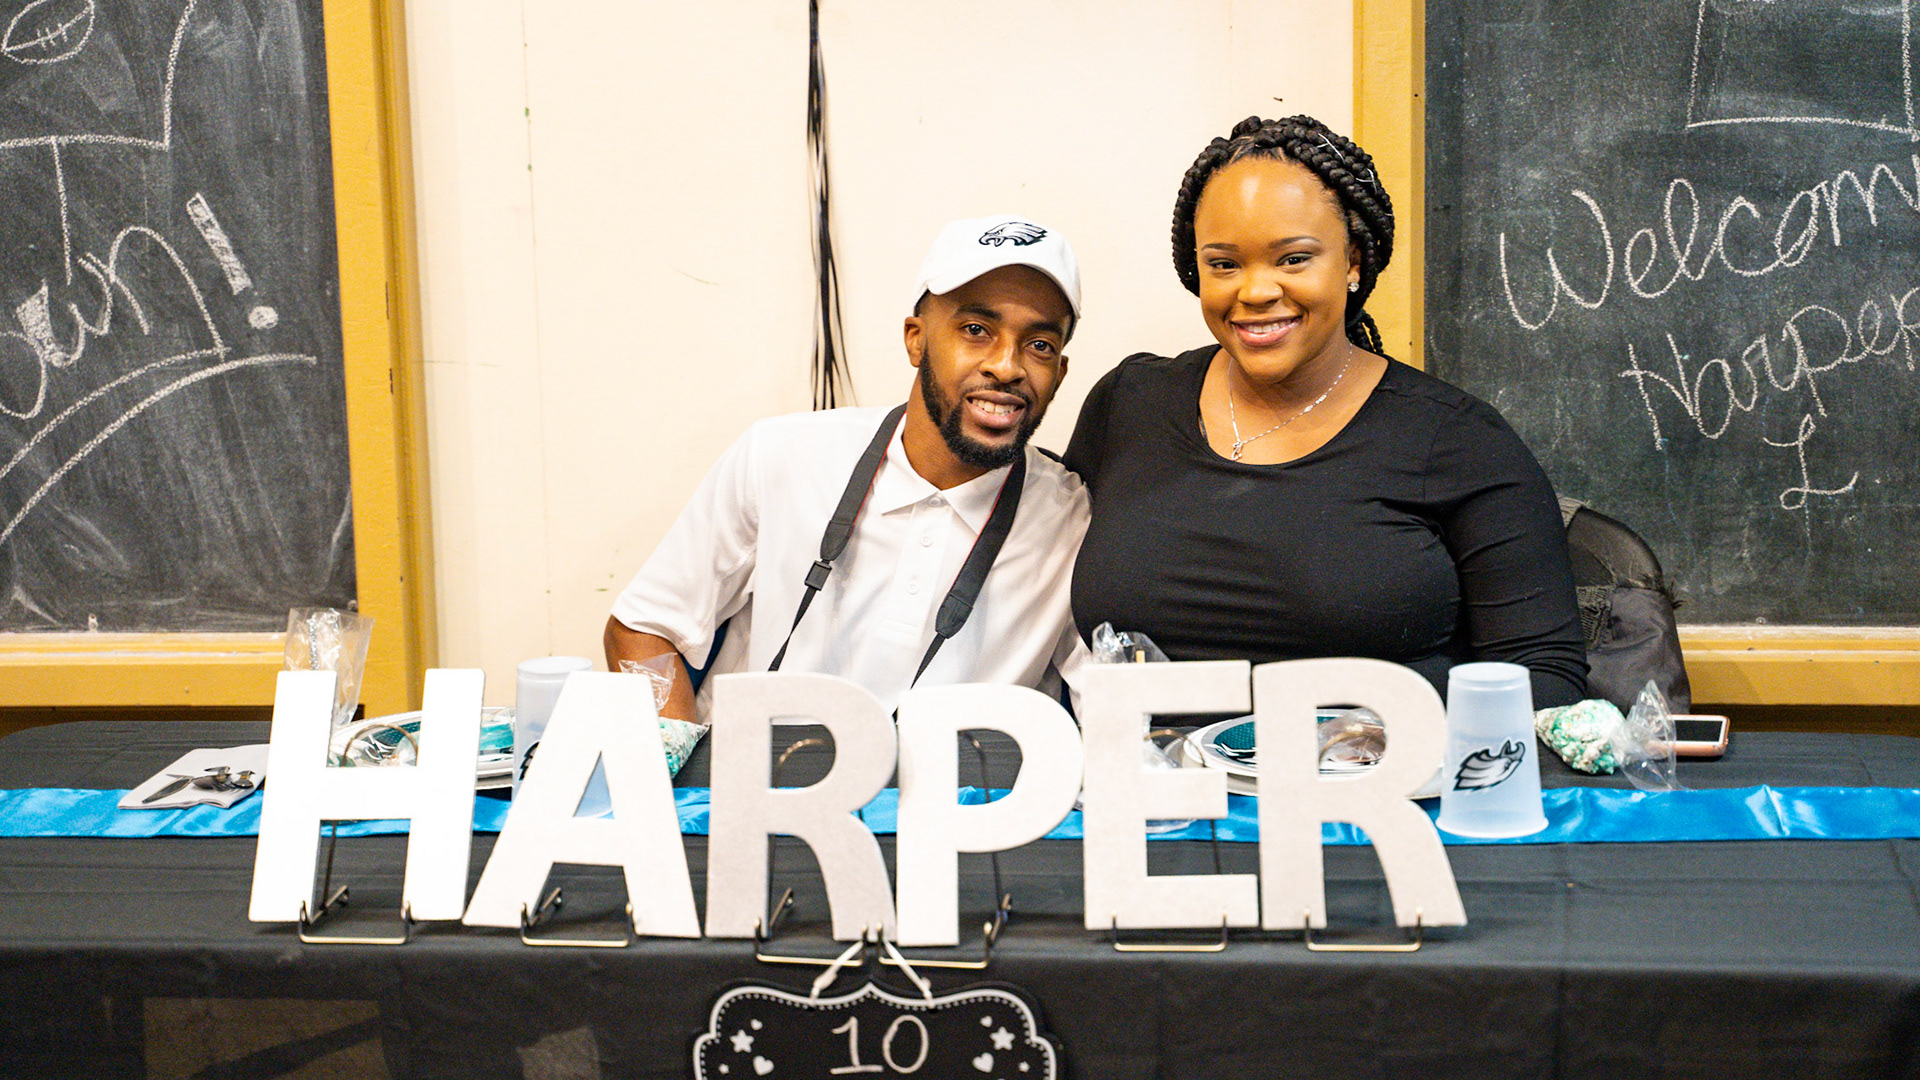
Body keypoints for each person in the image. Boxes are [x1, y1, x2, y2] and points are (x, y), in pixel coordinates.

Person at [1065, 116, 1587, 708]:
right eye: (1224, 264)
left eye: (1293, 259)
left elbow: (1545, 678)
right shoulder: (1131, 403)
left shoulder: (1458, 441)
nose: (1255, 291)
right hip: (1147, 765)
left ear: (1353, 261)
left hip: (1380, 766)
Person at [606, 215, 1089, 721]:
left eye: (1039, 345)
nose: (1007, 366)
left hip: (958, 776)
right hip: (753, 768)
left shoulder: (1075, 522)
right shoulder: (781, 456)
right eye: (976, 330)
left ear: (1059, 373)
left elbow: (1118, 703)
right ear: (916, 339)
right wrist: (679, 763)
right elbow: (643, 628)